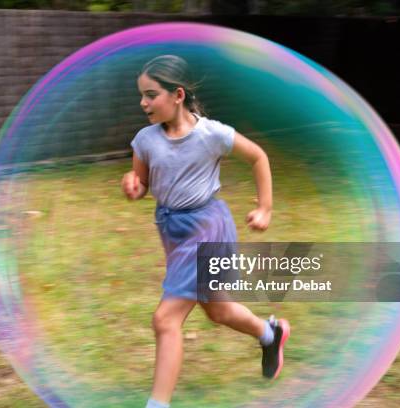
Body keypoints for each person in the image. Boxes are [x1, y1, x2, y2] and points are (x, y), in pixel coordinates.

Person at [121, 55, 290, 408]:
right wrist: (134, 187)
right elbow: (144, 185)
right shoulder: (145, 141)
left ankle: (158, 404)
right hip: (172, 228)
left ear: (177, 95)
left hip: (208, 227)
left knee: (165, 319)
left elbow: (258, 156)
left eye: (151, 95)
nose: (143, 103)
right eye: (142, 95)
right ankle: (269, 333)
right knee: (218, 311)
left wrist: (265, 207)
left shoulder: (212, 134)